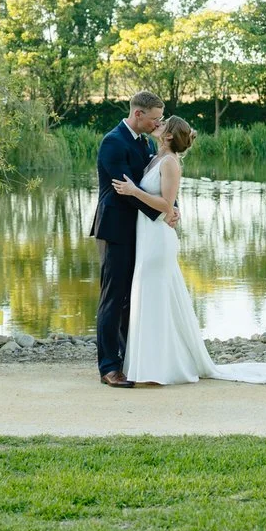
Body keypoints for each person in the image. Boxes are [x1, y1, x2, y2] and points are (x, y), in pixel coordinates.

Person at [112, 115, 266, 387]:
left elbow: (166, 203)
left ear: (167, 136)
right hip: (147, 236)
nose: (157, 124)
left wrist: (132, 191)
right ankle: (149, 364)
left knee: (156, 296)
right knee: (149, 296)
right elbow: (171, 204)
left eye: (162, 124)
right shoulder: (155, 157)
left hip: (158, 239)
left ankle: (163, 368)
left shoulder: (170, 163)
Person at [91, 92, 170, 388]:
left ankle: (128, 359)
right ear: (138, 114)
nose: (157, 123)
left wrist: (170, 208)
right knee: (113, 299)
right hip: (115, 230)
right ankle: (109, 367)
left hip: (140, 230)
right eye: (154, 118)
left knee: (131, 298)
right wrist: (164, 212)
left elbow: (154, 183)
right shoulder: (113, 142)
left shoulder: (146, 143)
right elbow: (128, 188)